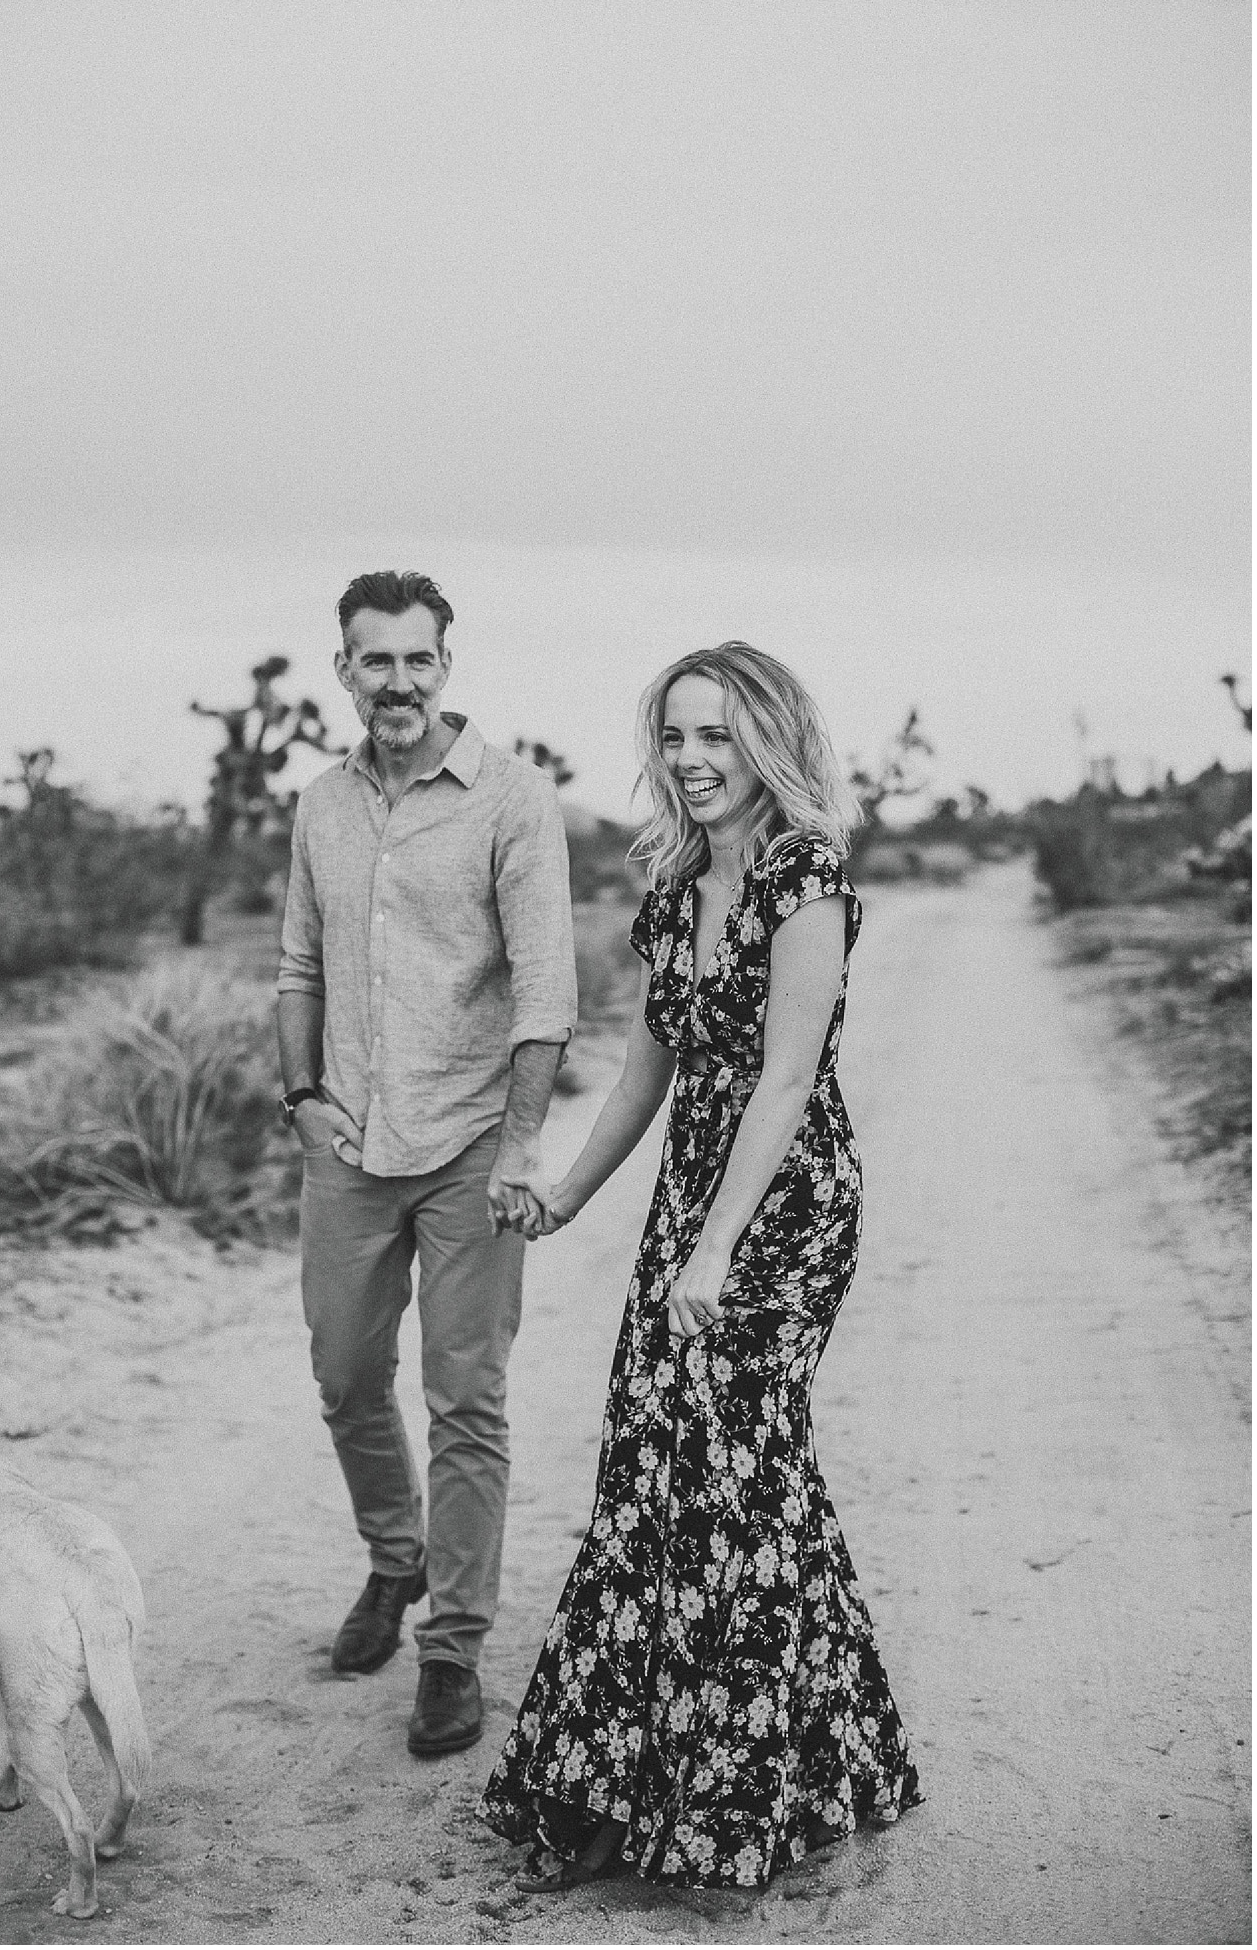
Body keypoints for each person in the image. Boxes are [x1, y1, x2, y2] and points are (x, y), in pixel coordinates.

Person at [478, 641, 921, 1889]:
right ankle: (664, 1775)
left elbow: (784, 1079)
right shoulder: (674, 888)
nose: (692, 759)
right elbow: (646, 1071)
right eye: (675, 736)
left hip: (786, 1214)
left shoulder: (805, 879)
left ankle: (740, 1796)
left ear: (767, 738)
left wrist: (721, 1245)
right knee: (656, 1463)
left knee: (742, 1467)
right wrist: (567, 1192)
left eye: (717, 735)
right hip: (691, 1208)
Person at [277, 570, 577, 1758]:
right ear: (343, 669)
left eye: (417, 659)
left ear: (446, 663)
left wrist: (517, 1146)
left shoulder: (513, 799)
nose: (396, 681)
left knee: (468, 1399)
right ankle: (393, 1559)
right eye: (374, 660)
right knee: (347, 1375)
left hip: (466, 1148)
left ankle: (452, 1648)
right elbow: (298, 963)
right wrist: (302, 1097)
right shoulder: (320, 804)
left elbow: (546, 990)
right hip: (347, 1138)